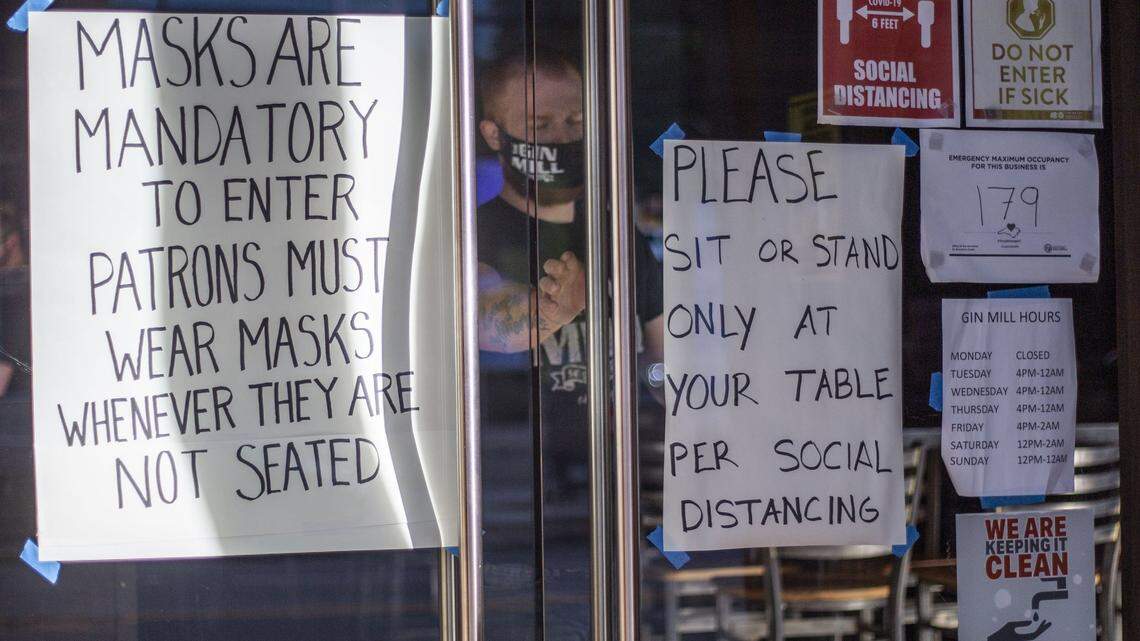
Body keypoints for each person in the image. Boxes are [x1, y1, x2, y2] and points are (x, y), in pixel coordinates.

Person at [474, 47, 664, 638]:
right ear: (494, 135)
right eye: (539, 125)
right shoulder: (477, 229)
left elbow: (666, 360)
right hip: (523, 506)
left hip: (628, 497)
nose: (561, 137)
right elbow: (487, 319)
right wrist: (550, 311)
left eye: (575, 123)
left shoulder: (618, 235)